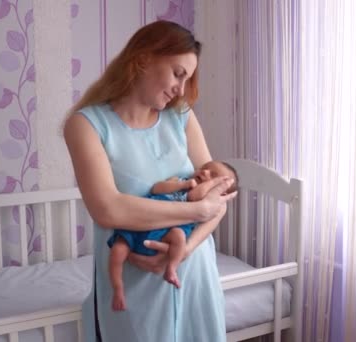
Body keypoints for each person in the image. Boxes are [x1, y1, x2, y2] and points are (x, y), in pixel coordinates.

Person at [63, 20, 237, 342]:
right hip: (132, 285)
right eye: (177, 74)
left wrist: (185, 251)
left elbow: (218, 198)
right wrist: (198, 211)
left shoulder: (180, 116)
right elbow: (108, 209)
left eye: (187, 79)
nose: (181, 90)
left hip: (194, 275)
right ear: (143, 60)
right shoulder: (86, 125)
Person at [107, 161, 239, 311]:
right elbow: (157, 188)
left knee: (179, 237)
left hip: (168, 229)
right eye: (204, 168)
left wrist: (212, 185)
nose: (205, 172)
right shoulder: (181, 180)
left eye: (213, 175)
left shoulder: (206, 198)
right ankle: (118, 288)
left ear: (221, 192)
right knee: (118, 249)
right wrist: (181, 185)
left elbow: (196, 196)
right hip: (141, 221)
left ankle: (171, 268)